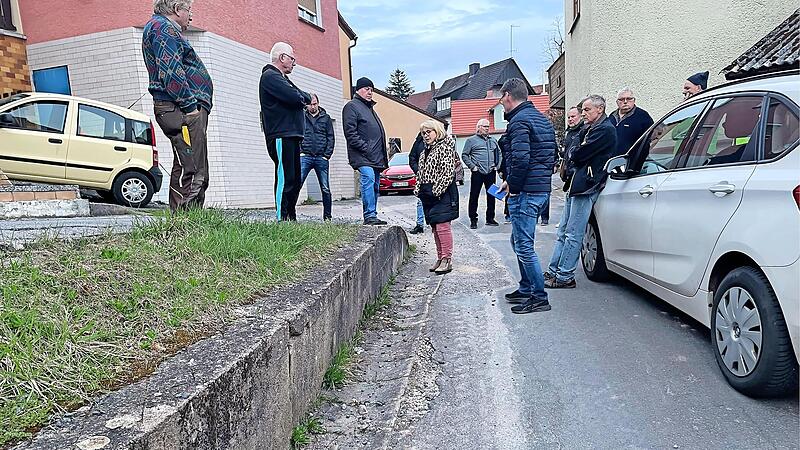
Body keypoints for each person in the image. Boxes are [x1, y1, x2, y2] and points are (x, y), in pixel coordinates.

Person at [143, 0, 212, 213]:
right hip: (182, 110)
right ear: (176, 9)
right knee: (191, 166)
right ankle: (185, 223)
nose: (191, 16)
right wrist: (190, 107)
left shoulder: (163, 28)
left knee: (192, 165)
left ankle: (191, 220)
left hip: (180, 108)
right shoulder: (163, 28)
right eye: (189, 10)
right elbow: (171, 72)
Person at [497, 78, 556, 314]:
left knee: (523, 245)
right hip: (540, 190)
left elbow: (521, 159)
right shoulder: (541, 120)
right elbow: (546, 156)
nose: (501, 103)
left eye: (501, 98)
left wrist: (514, 185)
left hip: (526, 192)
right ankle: (526, 287)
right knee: (518, 241)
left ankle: (539, 296)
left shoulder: (519, 121)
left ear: (508, 96)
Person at [545, 95, 617, 289]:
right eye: (583, 110)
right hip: (576, 185)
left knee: (573, 234)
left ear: (600, 109)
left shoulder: (605, 130)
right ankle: (554, 271)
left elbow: (576, 154)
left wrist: (575, 151)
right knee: (563, 232)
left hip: (586, 186)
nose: (583, 114)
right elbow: (571, 152)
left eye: (587, 110)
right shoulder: (589, 129)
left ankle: (565, 276)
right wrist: (574, 151)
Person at [259, 42, 312, 221]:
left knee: (295, 179)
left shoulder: (282, 78)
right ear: (282, 58)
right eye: (292, 58)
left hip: (291, 135)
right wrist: (302, 97)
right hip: (281, 134)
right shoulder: (270, 76)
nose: (294, 63)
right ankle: (282, 218)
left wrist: (302, 96)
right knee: (285, 176)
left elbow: (301, 95)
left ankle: (291, 216)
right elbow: (295, 97)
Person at [415, 119, 459, 275]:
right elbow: (420, 173)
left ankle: (447, 259)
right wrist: (418, 190)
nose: (426, 135)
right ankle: (440, 258)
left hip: (443, 194)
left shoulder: (445, 148)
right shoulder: (424, 151)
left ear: (437, 131)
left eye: (429, 132)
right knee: (435, 227)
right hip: (428, 194)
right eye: (423, 133)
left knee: (442, 226)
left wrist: (436, 191)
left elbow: (448, 174)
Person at [343, 77, 389, 226]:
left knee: (375, 185)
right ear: (358, 90)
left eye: (371, 89)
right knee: (368, 180)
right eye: (366, 89)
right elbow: (350, 132)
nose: (370, 92)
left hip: (375, 156)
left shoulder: (370, 109)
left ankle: (373, 214)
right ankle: (369, 215)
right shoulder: (352, 106)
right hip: (362, 155)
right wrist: (365, 147)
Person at [300, 94, 334, 221]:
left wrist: (327, 155)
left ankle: (327, 217)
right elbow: (298, 134)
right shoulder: (301, 117)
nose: (312, 106)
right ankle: (290, 216)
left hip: (321, 158)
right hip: (305, 156)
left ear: (318, 103)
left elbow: (331, 137)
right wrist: (300, 151)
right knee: (297, 184)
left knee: (325, 188)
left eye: (314, 104)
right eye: (310, 104)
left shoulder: (326, 118)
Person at [461, 118, 500, 229]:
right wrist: (472, 167)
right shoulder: (471, 140)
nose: (487, 128)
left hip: (491, 172)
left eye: (488, 126)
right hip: (477, 173)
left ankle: (490, 218)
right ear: (479, 127)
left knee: (492, 195)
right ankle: (473, 219)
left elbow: (499, 153)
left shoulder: (493, 140)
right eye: (485, 126)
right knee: (474, 196)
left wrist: (497, 165)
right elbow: (464, 155)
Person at [609, 88, 654, 156]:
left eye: (629, 99)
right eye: (621, 99)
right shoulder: (612, 116)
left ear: (634, 100)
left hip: (632, 160)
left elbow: (652, 138)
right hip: (612, 160)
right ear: (617, 102)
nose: (625, 101)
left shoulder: (643, 116)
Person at [559, 105, 584, 192]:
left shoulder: (583, 132)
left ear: (581, 116)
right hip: (568, 174)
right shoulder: (569, 132)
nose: (570, 119)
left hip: (577, 174)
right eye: (568, 117)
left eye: (573, 116)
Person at [408, 132, 426, 234]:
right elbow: (412, 157)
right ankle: (420, 224)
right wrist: (418, 170)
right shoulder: (418, 142)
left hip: (436, 177)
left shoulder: (440, 142)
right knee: (420, 201)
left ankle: (436, 223)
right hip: (421, 176)